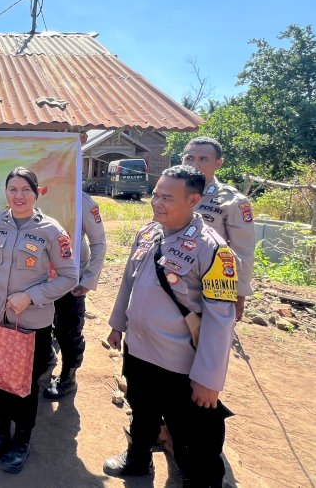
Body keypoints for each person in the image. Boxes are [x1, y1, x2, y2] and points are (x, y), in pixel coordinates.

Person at [103, 165, 237, 487]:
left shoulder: (213, 249)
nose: (156, 202)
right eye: (155, 194)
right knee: (142, 413)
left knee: (194, 437)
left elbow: (221, 320)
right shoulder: (148, 234)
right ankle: (137, 460)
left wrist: (208, 378)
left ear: (193, 200)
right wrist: (117, 324)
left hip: (180, 365)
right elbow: (127, 284)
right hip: (139, 351)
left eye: (166, 197)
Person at [0, 167, 79, 474]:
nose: (18, 196)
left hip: (32, 324)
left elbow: (69, 277)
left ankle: (21, 439)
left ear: (36, 193)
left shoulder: (52, 231)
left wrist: (30, 296)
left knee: (24, 386)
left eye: (25, 189)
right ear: (6, 193)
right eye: (12, 189)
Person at [182, 136, 254, 321]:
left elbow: (243, 251)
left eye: (203, 159)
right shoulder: (170, 192)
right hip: (171, 277)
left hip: (209, 283)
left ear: (218, 163)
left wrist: (239, 295)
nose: (195, 165)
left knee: (208, 341)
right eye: (189, 158)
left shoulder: (232, 201)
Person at [44, 190, 106, 399]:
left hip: (70, 279)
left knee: (68, 329)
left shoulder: (82, 200)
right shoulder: (37, 191)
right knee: (41, 326)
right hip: (38, 279)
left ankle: (68, 376)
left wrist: (88, 280)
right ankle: (46, 360)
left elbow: (99, 242)